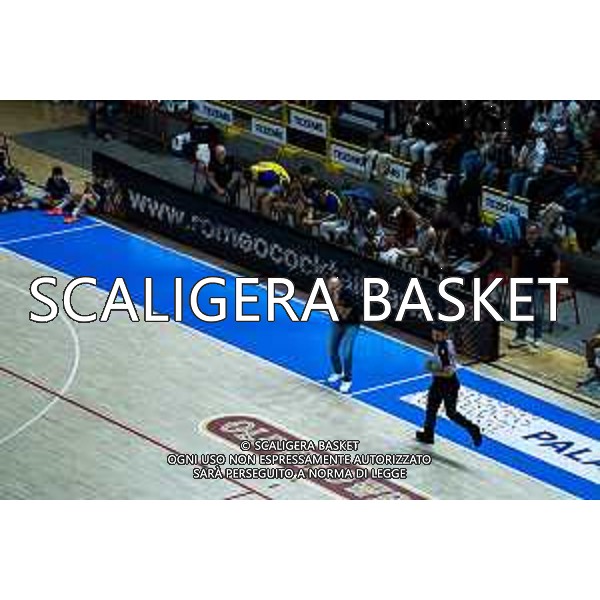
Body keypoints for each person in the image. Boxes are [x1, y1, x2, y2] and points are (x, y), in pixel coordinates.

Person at [416, 322, 482, 447]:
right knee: (431, 408)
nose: (435, 337)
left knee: (451, 413)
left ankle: (473, 428)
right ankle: (428, 434)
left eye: (438, 335)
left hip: (448, 384)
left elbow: (448, 373)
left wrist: (432, 370)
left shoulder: (443, 350)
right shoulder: (447, 343)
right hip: (440, 383)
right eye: (434, 334)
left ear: (444, 334)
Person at [509, 222, 560, 349]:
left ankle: (538, 337)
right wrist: (513, 279)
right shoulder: (520, 244)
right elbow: (515, 261)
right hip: (524, 282)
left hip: (540, 284)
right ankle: (520, 337)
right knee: (522, 310)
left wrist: (553, 282)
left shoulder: (546, 246)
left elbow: (556, 265)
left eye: (532, 233)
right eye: (528, 233)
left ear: (538, 234)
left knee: (538, 311)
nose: (530, 236)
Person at [326, 277, 362, 394]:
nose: (330, 288)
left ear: (339, 286)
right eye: (329, 285)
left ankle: (347, 380)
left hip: (351, 325)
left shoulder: (349, 295)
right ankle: (338, 372)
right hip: (337, 323)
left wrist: (336, 300)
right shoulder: (330, 294)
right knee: (332, 349)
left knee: (346, 353)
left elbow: (344, 314)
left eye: (333, 286)